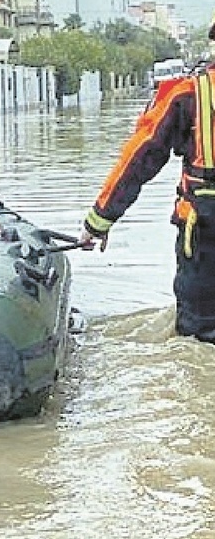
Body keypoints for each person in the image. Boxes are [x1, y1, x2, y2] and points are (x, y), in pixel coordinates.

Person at [80, 18, 215, 342]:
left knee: (200, 336)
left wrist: (99, 221)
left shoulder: (188, 93)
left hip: (206, 231)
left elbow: (139, 159)